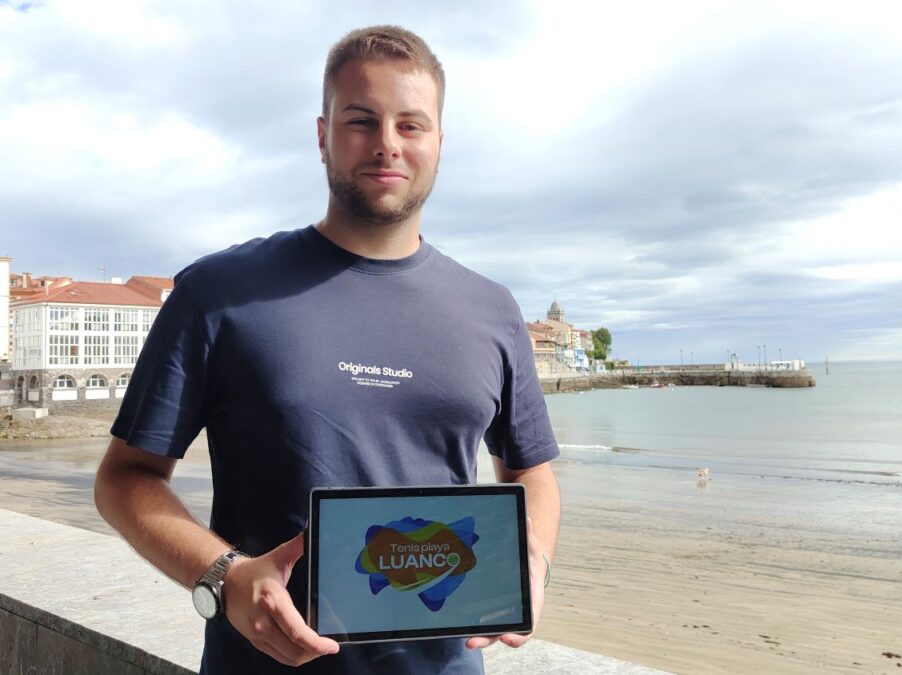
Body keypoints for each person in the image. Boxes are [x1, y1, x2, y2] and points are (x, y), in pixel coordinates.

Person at [95, 25, 561, 674]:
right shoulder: (219, 294)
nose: (387, 144)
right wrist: (225, 577)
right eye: (362, 120)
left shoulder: (492, 310)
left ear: (439, 144)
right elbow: (124, 479)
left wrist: (529, 558)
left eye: (411, 124)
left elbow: (530, 471)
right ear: (322, 135)